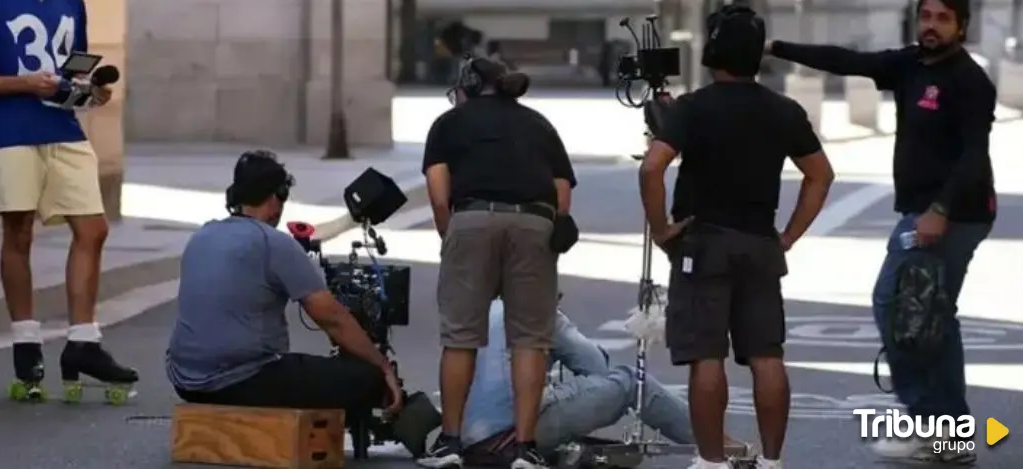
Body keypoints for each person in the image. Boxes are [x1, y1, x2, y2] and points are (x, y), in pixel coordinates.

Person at [766, 0, 994, 464]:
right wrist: (776, 47)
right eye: (926, 16)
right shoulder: (909, 64)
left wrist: (940, 211)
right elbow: (847, 60)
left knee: (897, 307)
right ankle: (948, 435)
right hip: (924, 213)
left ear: (961, 26)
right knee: (932, 318)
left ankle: (935, 425)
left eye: (943, 19)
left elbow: (974, 155)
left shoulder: (970, 80)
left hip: (953, 215)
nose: (931, 26)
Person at [638, 4, 835, 469]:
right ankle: (771, 460)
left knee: (707, 356)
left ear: (712, 52)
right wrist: (788, 236)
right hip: (760, 243)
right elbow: (820, 175)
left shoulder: (692, 108)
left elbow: (651, 167)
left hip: (703, 242)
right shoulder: (784, 110)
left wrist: (662, 229)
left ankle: (711, 461)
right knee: (767, 355)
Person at [0, 0, 135, 399]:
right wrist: (23, 83)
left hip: (65, 128)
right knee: (18, 233)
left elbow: (73, 73)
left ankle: (83, 340)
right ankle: (25, 342)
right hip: (11, 132)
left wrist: (91, 94)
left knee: (93, 228)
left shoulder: (70, 0)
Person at [167, 151, 403, 427]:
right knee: (367, 378)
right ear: (276, 197)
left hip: (184, 379)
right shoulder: (273, 243)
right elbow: (332, 319)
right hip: (241, 379)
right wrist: (382, 366)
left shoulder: (202, 236)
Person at [419, 57, 575, 469]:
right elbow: (562, 189)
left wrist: (451, 236)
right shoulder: (538, 124)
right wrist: (554, 224)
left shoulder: (449, 123)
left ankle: (450, 443)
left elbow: (438, 191)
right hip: (535, 222)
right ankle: (525, 449)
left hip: (473, 218)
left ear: (468, 85)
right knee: (530, 340)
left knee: (460, 336)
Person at [461, 299, 752, 461]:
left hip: (469, 436)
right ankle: (722, 448)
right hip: (509, 436)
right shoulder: (539, 309)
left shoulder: (485, 309)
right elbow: (597, 368)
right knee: (630, 382)